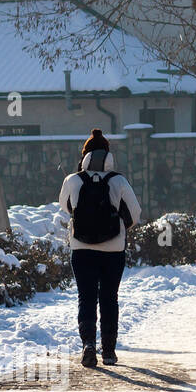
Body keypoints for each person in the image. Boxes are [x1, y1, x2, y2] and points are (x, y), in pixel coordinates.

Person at [59, 129, 142, 368]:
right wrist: (118, 227)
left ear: (84, 155)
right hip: (113, 251)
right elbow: (135, 214)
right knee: (109, 298)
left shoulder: (72, 180)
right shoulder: (119, 180)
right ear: (108, 155)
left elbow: (66, 207)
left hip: (81, 249)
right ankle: (109, 351)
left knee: (85, 298)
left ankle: (88, 345)